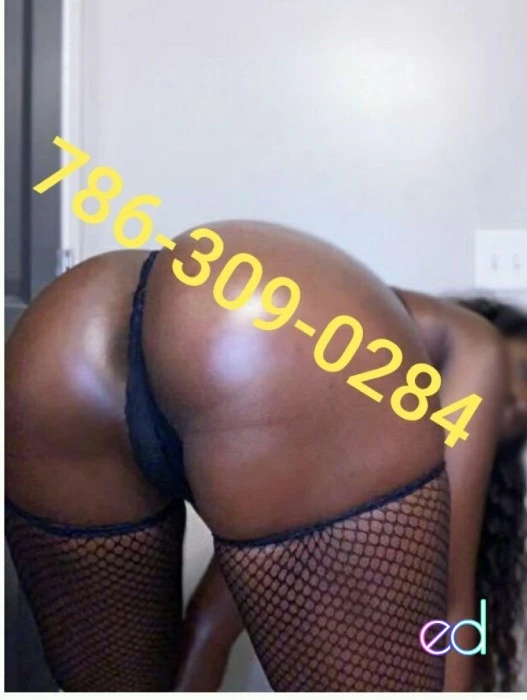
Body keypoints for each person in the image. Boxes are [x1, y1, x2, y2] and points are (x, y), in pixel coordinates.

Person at [5, 221, 507, 691]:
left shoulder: (366, 335)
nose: (516, 408)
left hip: (65, 325)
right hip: (260, 331)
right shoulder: (475, 342)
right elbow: (451, 606)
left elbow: (208, 628)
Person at [175, 295, 527, 693]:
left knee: (210, 623)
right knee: (211, 624)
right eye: (522, 372)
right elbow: (451, 606)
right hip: (263, 394)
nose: (520, 401)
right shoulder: (473, 347)